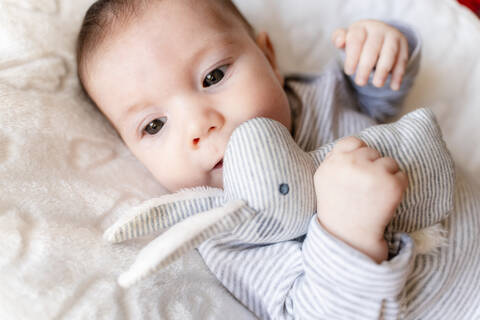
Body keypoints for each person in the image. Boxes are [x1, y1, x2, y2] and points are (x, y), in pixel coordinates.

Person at [76, 1, 478, 319]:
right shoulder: (231, 233)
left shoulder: (315, 97)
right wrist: (347, 235)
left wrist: (380, 55)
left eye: (213, 77)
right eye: (154, 125)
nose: (199, 125)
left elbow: (379, 102)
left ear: (270, 59)